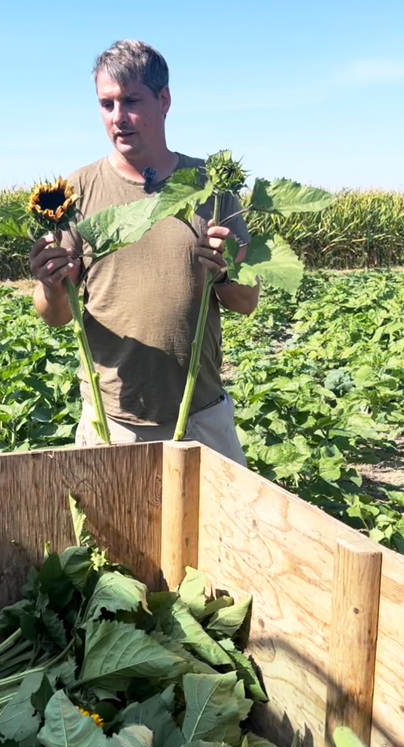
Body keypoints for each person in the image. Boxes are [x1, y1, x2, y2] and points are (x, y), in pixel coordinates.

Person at [29, 40, 259, 464]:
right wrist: (50, 284)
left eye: (131, 100)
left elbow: (246, 303)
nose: (118, 118)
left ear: (164, 99)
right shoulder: (74, 193)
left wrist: (224, 272)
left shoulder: (212, 187)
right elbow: (56, 315)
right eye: (106, 103)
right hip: (112, 421)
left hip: (201, 418)